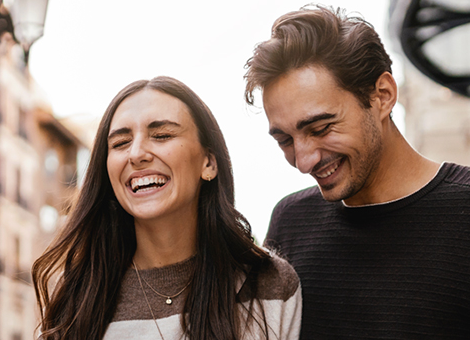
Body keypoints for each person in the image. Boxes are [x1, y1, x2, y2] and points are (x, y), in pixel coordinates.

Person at [244, 5, 470, 339]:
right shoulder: (291, 221)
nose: (303, 161)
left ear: (383, 96)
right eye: (285, 140)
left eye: (321, 127)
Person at [32, 76, 301, 340]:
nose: (136, 154)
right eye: (120, 143)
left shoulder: (271, 285)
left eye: (161, 135)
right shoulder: (76, 300)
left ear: (208, 163)